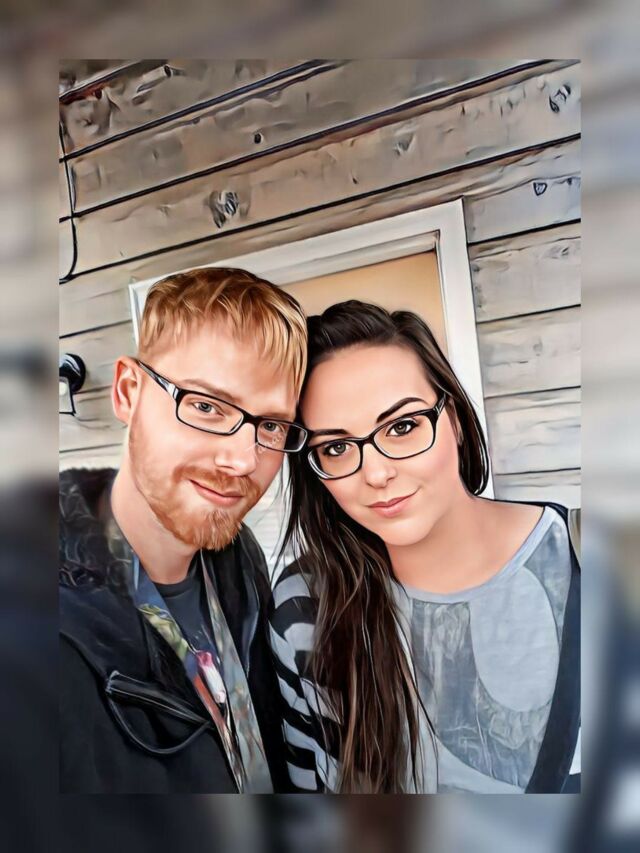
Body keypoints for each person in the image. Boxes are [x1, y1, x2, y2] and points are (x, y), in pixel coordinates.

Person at [269, 300, 580, 794]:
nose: (376, 473)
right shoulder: (307, 606)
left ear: (452, 418)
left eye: (402, 426)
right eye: (336, 447)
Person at [59, 267, 308, 793]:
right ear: (128, 392)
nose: (243, 460)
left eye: (270, 425)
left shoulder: (239, 559)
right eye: (206, 406)